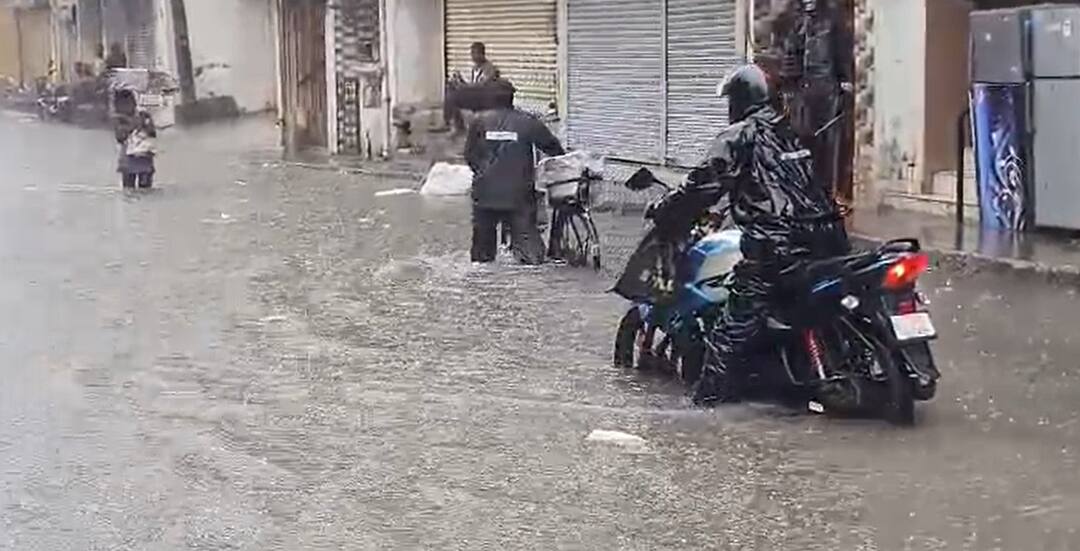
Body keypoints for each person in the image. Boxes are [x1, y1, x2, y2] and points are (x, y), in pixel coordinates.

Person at [643, 65, 848, 405]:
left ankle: (707, 408)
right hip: (830, 237)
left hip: (777, 247)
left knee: (730, 332)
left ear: (738, 101)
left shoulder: (739, 136)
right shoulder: (792, 131)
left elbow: (702, 185)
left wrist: (666, 209)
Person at [464, 79, 564, 264]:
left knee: (481, 256)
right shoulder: (527, 121)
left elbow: (470, 155)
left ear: (489, 99)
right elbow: (553, 148)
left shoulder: (478, 121)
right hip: (519, 194)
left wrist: (483, 173)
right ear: (512, 98)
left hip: (485, 193)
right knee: (530, 256)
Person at [779, 0, 853, 199]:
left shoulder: (832, 20)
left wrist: (845, 81)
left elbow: (842, 53)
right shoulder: (797, 22)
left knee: (828, 144)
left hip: (827, 89)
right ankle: (805, 190)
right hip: (804, 91)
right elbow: (790, 56)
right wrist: (789, 87)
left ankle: (827, 192)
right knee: (803, 140)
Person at [444, 42, 501, 135]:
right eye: (472, 54)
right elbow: (472, 85)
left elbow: (481, 86)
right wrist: (460, 80)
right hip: (475, 96)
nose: (473, 57)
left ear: (482, 54)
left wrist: (463, 86)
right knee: (450, 87)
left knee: (453, 96)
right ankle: (453, 123)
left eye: (475, 53)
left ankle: (452, 124)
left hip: (484, 99)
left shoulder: (490, 69)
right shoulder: (475, 68)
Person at [113, 89, 157, 189]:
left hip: (145, 160)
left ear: (134, 103)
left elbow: (153, 133)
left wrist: (145, 125)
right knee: (129, 190)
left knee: (145, 190)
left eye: (128, 103)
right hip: (127, 161)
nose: (125, 107)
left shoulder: (144, 115)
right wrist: (134, 125)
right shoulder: (119, 119)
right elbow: (120, 137)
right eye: (121, 105)